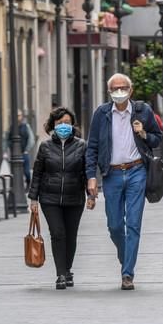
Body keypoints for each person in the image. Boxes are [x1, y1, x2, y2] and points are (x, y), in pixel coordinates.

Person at [86, 73, 163, 291]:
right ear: (109, 91)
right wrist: (91, 176)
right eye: (115, 88)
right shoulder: (101, 114)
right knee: (115, 225)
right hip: (111, 175)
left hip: (137, 170)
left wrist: (144, 133)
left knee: (134, 224)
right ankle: (125, 255)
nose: (119, 92)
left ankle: (127, 274)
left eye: (123, 87)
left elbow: (158, 138)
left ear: (131, 90)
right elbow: (91, 148)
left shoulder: (142, 111)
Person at [28, 107, 92, 290]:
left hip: (74, 198)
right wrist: (33, 199)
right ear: (53, 125)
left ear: (72, 124)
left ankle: (68, 269)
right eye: (59, 123)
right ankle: (61, 274)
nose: (63, 126)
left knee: (71, 236)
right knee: (57, 234)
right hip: (49, 198)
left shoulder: (82, 145)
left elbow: (88, 172)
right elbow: (38, 173)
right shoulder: (45, 147)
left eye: (66, 122)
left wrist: (91, 195)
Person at [3, 109, 35, 187]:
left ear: (21, 116)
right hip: (13, 154)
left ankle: (28, 184)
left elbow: (31, 139)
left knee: (26, 172)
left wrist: (26, 150)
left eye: (19, 115)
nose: (17, 117)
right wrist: (6, 151)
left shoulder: (26, 126)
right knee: (15, 172)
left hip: (24, 153)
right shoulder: (10, 127)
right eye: (16, 116)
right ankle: (16, 187)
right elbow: (6, 140)